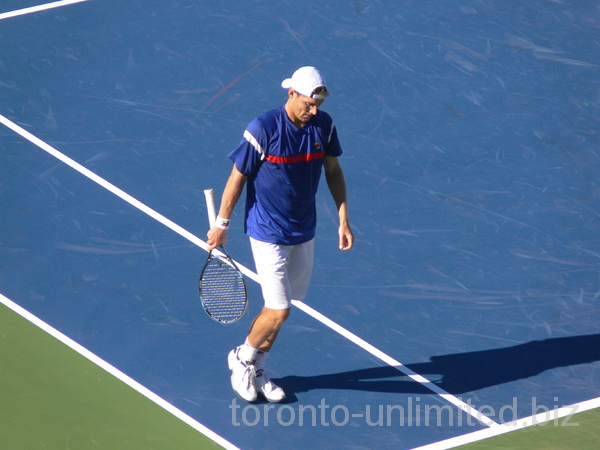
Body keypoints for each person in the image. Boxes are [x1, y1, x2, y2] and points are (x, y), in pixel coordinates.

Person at [207, 66, 354, 403]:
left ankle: (257, 366)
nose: (314, 111)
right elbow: (237, 177)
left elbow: (333, 170)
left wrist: (343, 220)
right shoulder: (263, 129)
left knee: (283, 305)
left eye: (318, 104)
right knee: (280, 309)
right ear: (291, 95)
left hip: (303, 230)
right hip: (267, 231)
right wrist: (222, 224)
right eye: (308, 103)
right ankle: (242, 358)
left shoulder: (324, 126)